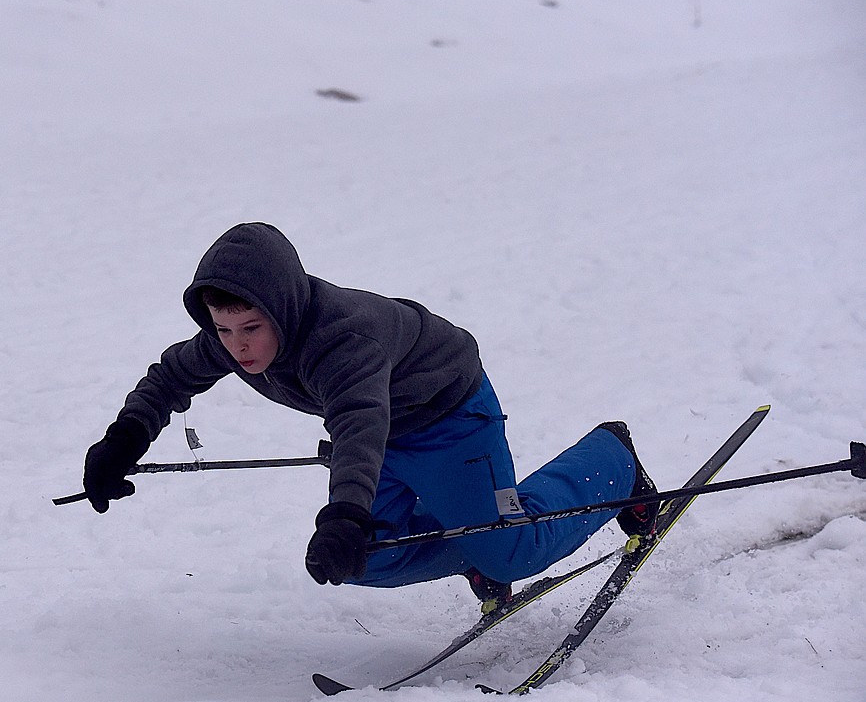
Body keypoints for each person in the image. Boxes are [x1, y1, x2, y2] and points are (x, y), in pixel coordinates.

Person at [82, 222, 658, 608]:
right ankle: (472, 546)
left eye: (251, 328)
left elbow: (359, 424)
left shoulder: (344, 338)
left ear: (282, 309)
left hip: (448, 418)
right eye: (225, 330)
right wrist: (123, 441)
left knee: (512, 549)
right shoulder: (231, 339)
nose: (238, 347)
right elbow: (170, 377)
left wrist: (344, 512)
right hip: (378, 433)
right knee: (365, 561)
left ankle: (612, 461)